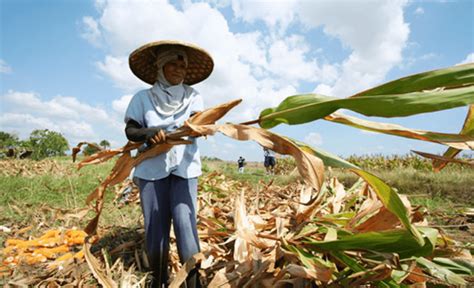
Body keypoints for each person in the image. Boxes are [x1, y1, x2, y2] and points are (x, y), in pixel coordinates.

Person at [124, 40, 214, 287]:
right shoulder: (143, 98)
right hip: (151, 169)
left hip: (185, 168)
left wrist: (197, 128)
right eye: (172, 64)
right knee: (156, 226)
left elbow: (198, 123)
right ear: (160, 67)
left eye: (182, 66)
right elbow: (131, 130)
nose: (178, 70)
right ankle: (158, 279)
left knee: (185, 222)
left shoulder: (193, 97)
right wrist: (149, 133)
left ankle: (193, 281)